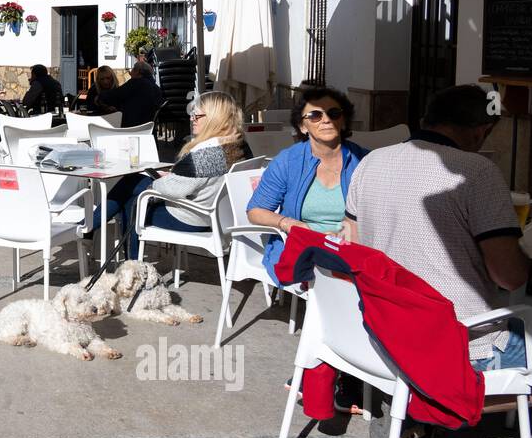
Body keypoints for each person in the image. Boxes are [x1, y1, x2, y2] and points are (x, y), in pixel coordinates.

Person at [343, 85, 532, 438]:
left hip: (379, 333)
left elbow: (353, 248)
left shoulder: (371, 163)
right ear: (481, 131)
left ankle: (412, 411)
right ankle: (433, 407)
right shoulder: (476, 172)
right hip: (455, 342)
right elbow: (509, 276)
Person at [92, 92, 250, 258]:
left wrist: (158, 181)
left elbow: (173, 190)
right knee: (133, 183)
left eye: (197, 115)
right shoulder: (240, 146)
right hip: (220, 216)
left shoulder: (205, 155)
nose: (192, 119)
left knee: (132, 200)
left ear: (213, 118)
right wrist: (171, 176)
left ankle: (124, 260)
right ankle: (93, 229)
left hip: (194, 219)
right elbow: (197, 181)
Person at [246, 87, 368, 281]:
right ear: (302, 126)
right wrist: (288, 223)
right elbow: (255, 211)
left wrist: (347, 233)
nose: (326, 120)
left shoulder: (364, 161)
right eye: (315, 116)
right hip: (304, 249)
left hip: (352, 245)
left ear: (343, 121)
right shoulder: (288, 161)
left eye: (334, 113)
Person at [100, 61, 164, 128]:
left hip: (132, 126)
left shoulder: (136, 83)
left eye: (133, 69)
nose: (130, 73)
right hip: (148, 127)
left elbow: (115, 95)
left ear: (138, 71)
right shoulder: (156, 88)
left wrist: (100, 97)